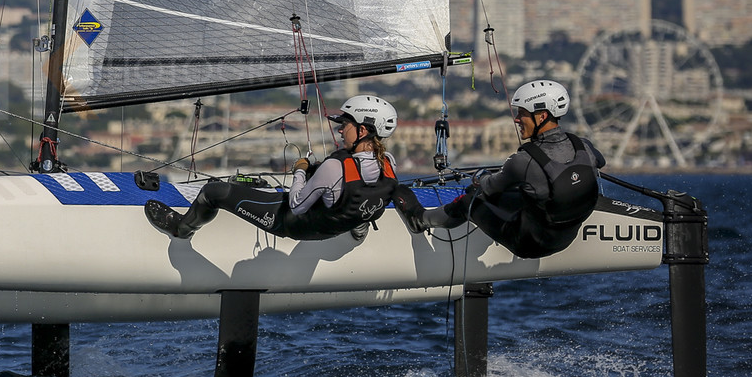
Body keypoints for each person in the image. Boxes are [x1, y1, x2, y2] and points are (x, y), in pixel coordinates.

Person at [144, 95, 428, 241]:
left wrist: (301, 170)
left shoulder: (334, 166)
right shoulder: (387, 165)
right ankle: (358, 232)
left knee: (213, 191)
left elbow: (296, 204)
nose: (341, 131)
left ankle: (181, 229)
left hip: (293, 226)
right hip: (338, 228)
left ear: (363, 130)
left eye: (346, 125)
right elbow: (364, 193)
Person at [423, 79, 604, 258]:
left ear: (542, 116)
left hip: (529, 245)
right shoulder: (583, 146)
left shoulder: (523, 161)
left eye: (522, 113)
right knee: (528, 191)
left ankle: (421, 219)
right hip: (566, 238)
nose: (516, 119)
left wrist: (480, 176)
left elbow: (489, 188)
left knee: (471, 198)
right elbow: (600, 161)